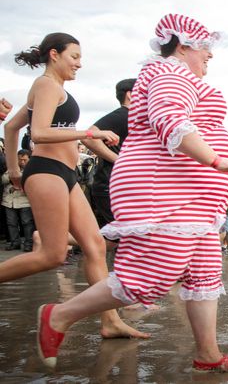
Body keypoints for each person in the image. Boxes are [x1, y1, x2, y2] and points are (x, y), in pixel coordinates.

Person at [30, 14, 228, 373]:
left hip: (191, 195)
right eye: (205, 47)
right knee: (154, 270)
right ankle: (59, 315)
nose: (210, 54)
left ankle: (208, 354)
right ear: (183, 46)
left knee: (204, 271)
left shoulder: (180, 75)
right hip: (161, 188)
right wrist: (215, 159)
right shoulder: (169, 73)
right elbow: (169, 119)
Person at [2, 32, 144, 341]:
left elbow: (11, 127)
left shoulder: (54, 89)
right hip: (47, 171)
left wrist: (14, 171)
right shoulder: (46, 85)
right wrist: (89, 133)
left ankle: (110, 321)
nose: (79, 64)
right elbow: (38, 133)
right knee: (52, 255)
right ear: (54, 54)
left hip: (64, 174)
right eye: (75, 57)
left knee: (94, 245)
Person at [81, 78, 135, 248]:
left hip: (120, 186)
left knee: (113, 240)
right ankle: (53, 243)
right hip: (110, 185)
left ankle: (54, 242)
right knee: (126, 238)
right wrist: (120, 161)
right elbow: (88, 137)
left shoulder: (134, 118)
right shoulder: (123, 115)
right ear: (130, 95)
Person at [2, 149, 35, 251]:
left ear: (29, 159)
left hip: (25, 200)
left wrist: (20, 184)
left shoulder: (32, 170)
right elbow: (3, 180)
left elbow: (33, 184)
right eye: (20, 160)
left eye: (25, 160)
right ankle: (15, 242)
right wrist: (12, 175)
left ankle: (29, 243)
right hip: (9, 200)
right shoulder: (11, 168)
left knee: (27, 223)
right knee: (11, 223)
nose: (22, 162)